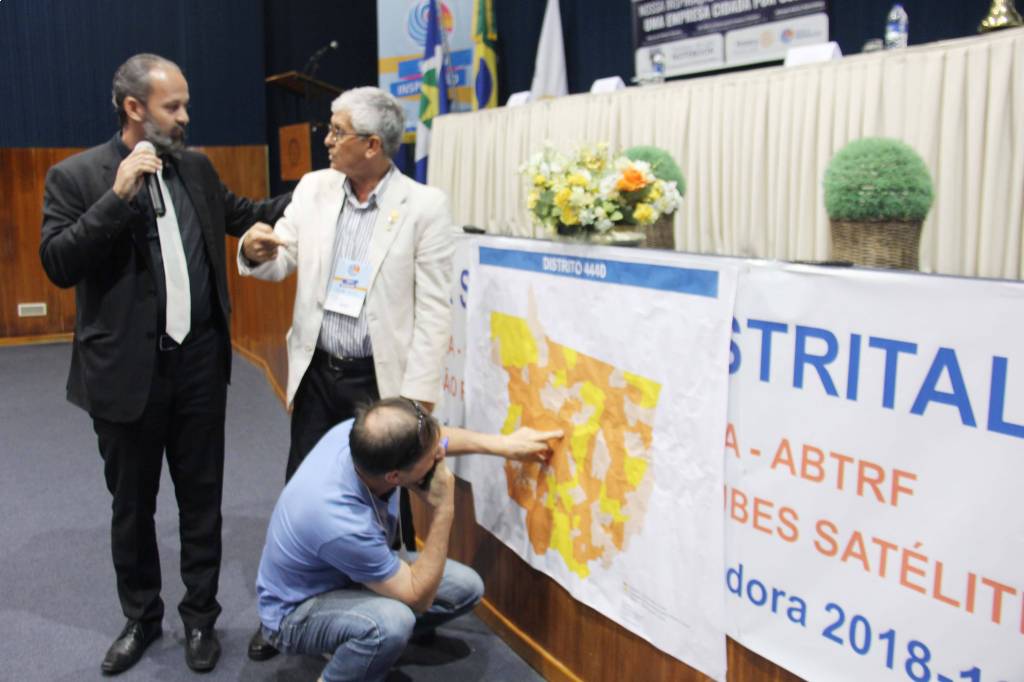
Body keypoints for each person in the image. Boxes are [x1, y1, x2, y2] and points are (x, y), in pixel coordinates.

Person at [38, 53, 290, 675]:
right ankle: (141, 618)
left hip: (200, 363)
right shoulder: (76, 177)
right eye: (172, 106)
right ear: (134, 108)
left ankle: (200, 617)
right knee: (133, 507)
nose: (185, 116)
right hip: (125, 373)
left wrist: (323, 190)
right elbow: (59, 263)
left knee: (202, 499)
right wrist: (118, 197)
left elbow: (247, 213)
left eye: (185, 104)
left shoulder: (195, 168)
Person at [253, 397, 562, 681]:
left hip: (347, 573)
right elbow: (419, 597)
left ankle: (353, 637)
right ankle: (346, 655)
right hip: (293, 613)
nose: (440, 454)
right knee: (392, 622)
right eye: (432, 458)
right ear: (394, 477)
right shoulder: (340, 519)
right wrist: (444, 510)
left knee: (466, 588)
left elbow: (435, 439)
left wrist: (503, 445)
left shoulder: (363, 436)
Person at [237, 86, 454, 482]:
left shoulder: (425, 207)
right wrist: (255, 252)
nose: (327, 140)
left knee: (378, 487)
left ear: (372, 145)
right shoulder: (313, 187)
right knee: (306, 483)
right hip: (317, 372)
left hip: (378, 378)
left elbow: (434, 309)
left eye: (338, 131)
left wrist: (418, 397)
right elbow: (280, 261)